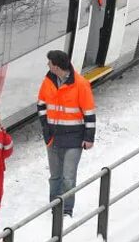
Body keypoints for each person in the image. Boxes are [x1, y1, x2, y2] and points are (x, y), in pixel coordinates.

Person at [38, 50, 96, 218]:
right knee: (55, 176)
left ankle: (66, 210)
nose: (47, 65)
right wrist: (45, 129)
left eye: (49, 63)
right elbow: (41, 105)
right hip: (53, 138)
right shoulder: (48, 81)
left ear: (56, 67)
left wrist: (89, 138)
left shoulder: (81, 84)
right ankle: (54, 207)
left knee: (68, 177)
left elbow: (89, 113)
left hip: (73, 139)